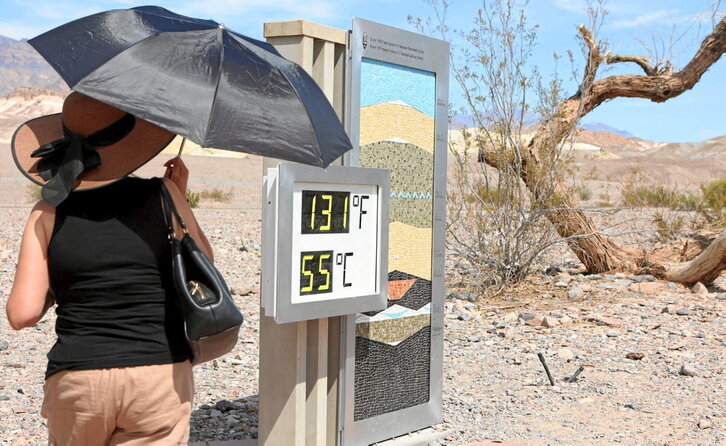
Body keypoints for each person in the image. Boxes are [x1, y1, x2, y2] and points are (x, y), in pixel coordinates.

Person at [5, 92, 213, 445]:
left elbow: (22, 314)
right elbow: (204, 266)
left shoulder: (47, 212)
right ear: (129, 143)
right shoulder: (164, 194)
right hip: (159, 372)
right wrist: (178, 198)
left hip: (78, 378)